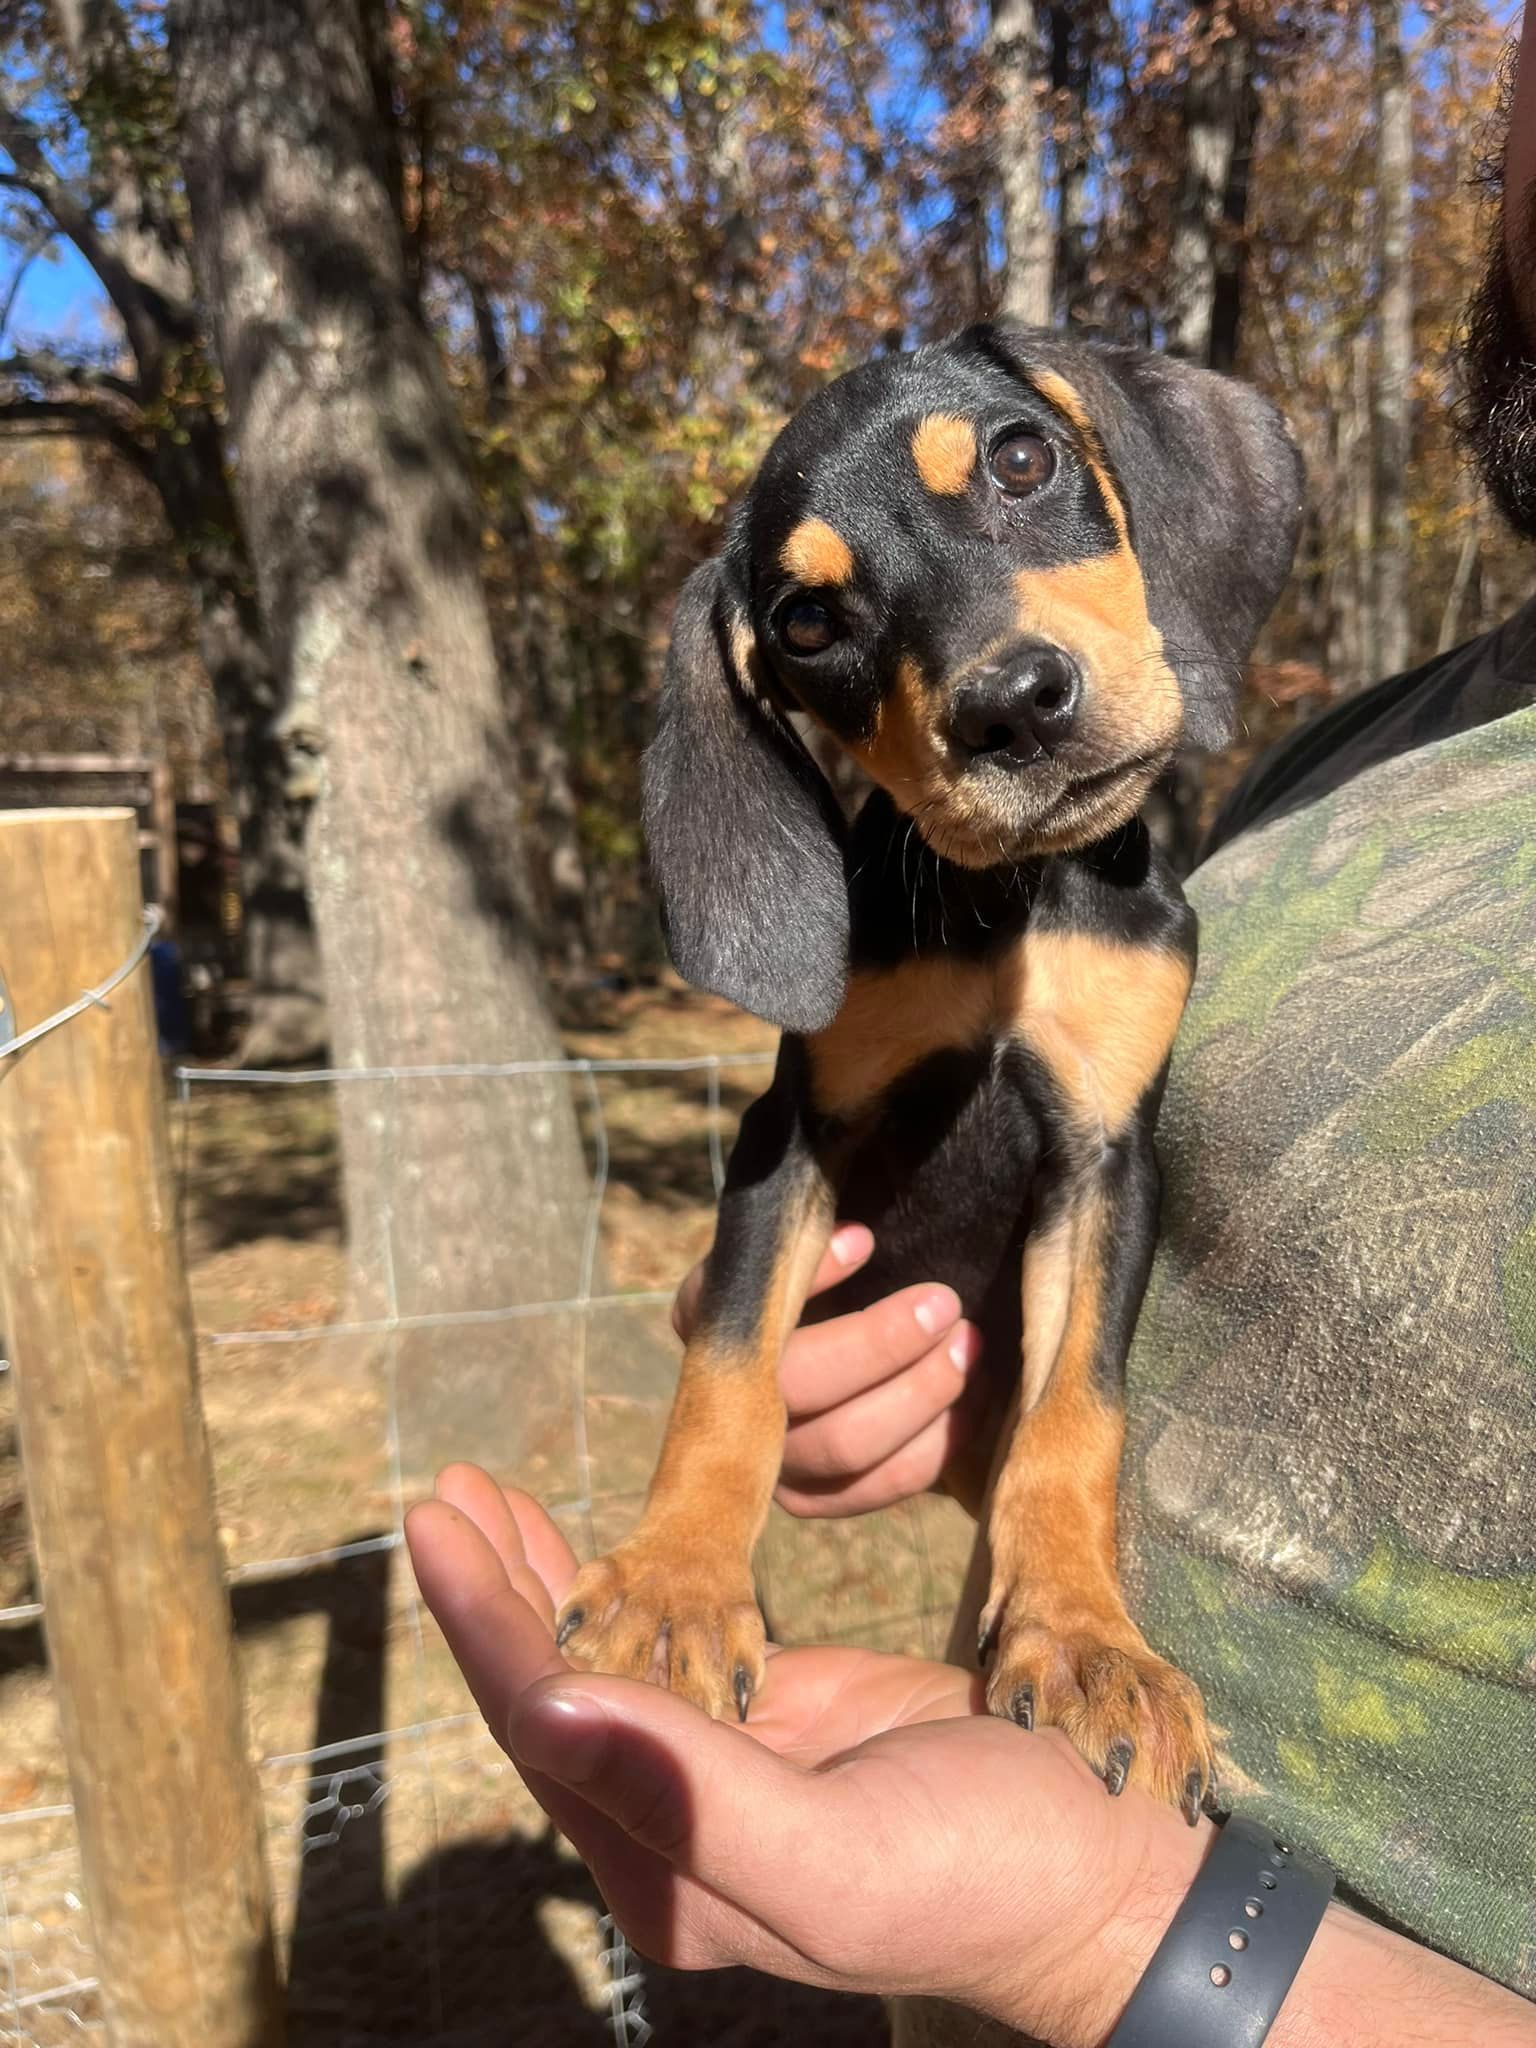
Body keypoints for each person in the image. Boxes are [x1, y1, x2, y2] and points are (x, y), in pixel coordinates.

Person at [407, 21, 1536, 2043]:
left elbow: (1104, 1187)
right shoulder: (1340, 772)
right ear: (793, 723)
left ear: (1122, 475)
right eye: (844, 624)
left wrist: (1104, 1918)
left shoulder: (1150, 920)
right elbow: (809, 1159)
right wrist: (723, 1496)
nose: (991, 662)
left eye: (1016, 472)